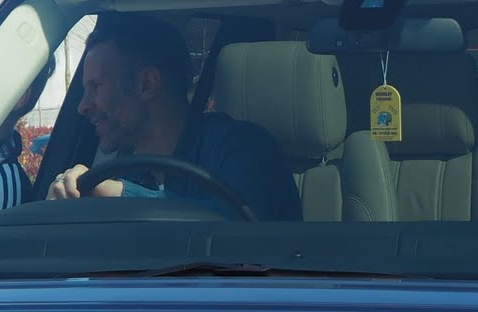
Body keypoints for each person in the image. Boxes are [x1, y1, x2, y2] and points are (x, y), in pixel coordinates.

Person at [46, 13, 301, 221]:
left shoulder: (246, 149)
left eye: (96, 86)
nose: (82, 106)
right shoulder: (129, 172)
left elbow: (237, 227)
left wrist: (119, 197)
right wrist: (65, 199)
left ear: (146, 84)